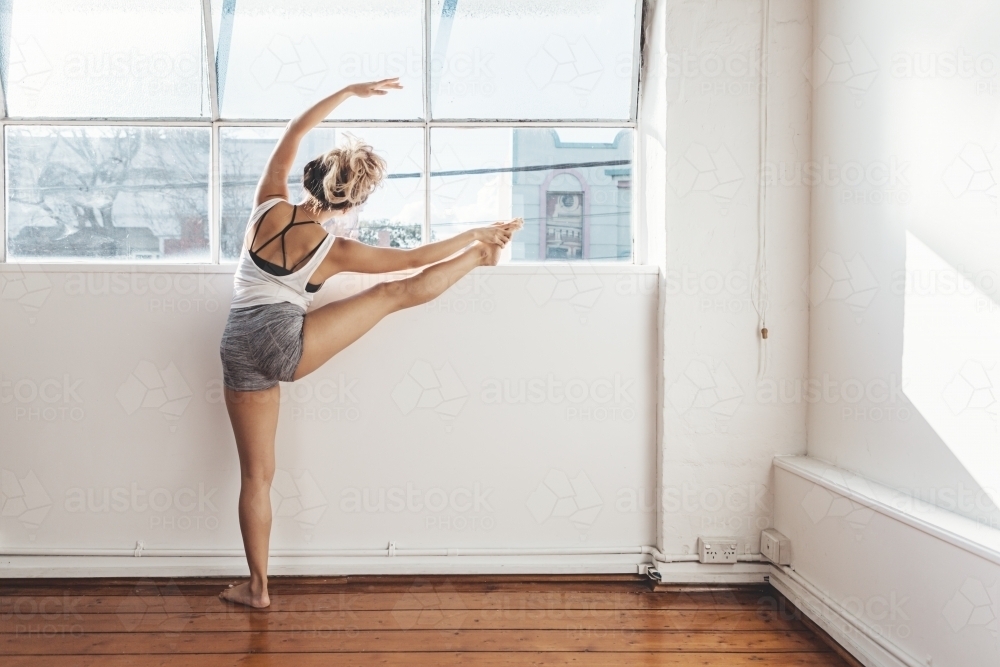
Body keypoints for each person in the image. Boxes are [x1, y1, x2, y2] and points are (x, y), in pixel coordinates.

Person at [218, 78, 521, 607]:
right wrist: (475, 236)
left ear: (310, 177)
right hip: (284, 348)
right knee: (390, 296)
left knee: (255, 476)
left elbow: (296, 128)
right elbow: (410, 263)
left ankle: (258, 589)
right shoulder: (333, 249)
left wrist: (348, 92)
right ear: (348, 202)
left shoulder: (265, 205)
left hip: (236, 344)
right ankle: (481, 257)